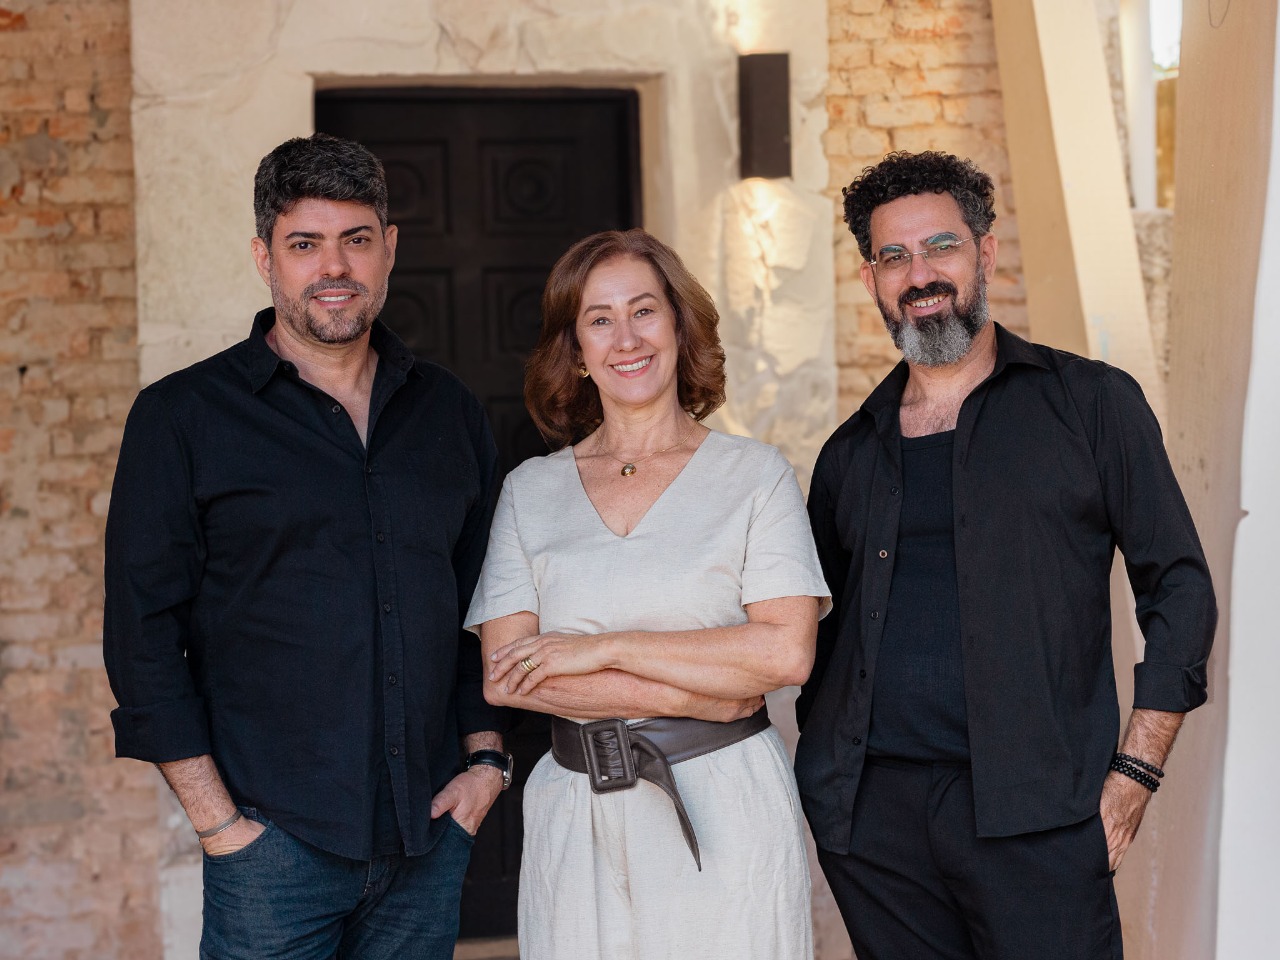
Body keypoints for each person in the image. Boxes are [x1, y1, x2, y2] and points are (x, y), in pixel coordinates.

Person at [794, 150, 1217, 960]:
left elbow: (1180, 587)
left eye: (941, 246)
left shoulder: (1091, 405)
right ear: (870, 279)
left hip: (1041, 818)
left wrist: (1136, 772)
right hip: (875, 827)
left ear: (985, 252)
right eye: (894, 256)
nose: (920, 275)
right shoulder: (851, 451)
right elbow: (819, 632)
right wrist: (825, 783)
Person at [103, 133, 510, 959]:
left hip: (429, 835)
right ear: (265, 257)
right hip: (272, 849)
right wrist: (220, 826)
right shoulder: (182, 418)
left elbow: (486, 604)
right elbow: (141, 635)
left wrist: (487, 764)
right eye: (304, 244)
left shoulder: (448, 413)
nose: (335, 267)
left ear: (389, 248)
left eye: (356, 240)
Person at [465, 228, 830, 960]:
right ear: (575, 349)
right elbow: (507, 675)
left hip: (725, 802)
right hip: (576, 806)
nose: (626, 338)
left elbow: (785, 655)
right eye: (599, 319)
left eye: (644, 311)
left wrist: (602, 648)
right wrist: (704, 693)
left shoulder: (756, 475)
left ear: (680, 326)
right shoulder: (530, 491)